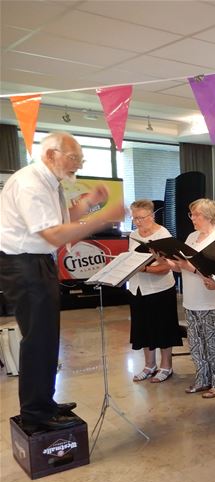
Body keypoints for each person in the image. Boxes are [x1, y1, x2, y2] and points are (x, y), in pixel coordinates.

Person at [0, 131, 125, 431]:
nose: (77, 166)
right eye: (73, 158)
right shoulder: (31, 183)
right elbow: (53, 235)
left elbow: (59, 218)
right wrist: (103, 218)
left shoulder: (48, 181)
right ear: (50, 154)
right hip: (24, 263)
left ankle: (44, 401)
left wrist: (91, 204)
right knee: (38, 341)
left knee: (46, 338)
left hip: (35, 262)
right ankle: (36, 414)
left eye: (79, 160)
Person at [167, 199, 215, 398]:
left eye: (196, 215)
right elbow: (182, 265)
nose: (192, 219)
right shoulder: (192, 236)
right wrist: (167, 259)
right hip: (192, 300)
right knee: (196, 343)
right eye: (191, 214)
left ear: (210, 217)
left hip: (213, 301)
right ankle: (202, 379)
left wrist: (189, 267)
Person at [127, 199, 182, 383]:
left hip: (160, 289)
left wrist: (143, 269)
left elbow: (166, 267)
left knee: (162, 328)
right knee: (143, 327)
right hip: (138, 288)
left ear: (152, 215)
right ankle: (149, 365)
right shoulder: (133, 234)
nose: (138, 222)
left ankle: (166, 366)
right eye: (134, 218)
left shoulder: (163, 234)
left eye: (141, 218)